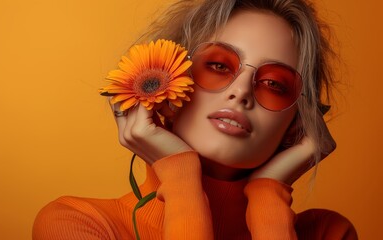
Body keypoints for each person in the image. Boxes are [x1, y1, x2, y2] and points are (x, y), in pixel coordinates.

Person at [33, 0, 358, 239]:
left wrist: (269, 194)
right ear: (165, 84)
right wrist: (180, 177)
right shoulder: (77, 224)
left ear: (297, 124)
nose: (241, 92)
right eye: (218, 65)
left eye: (274, 84)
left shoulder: (328, 233)